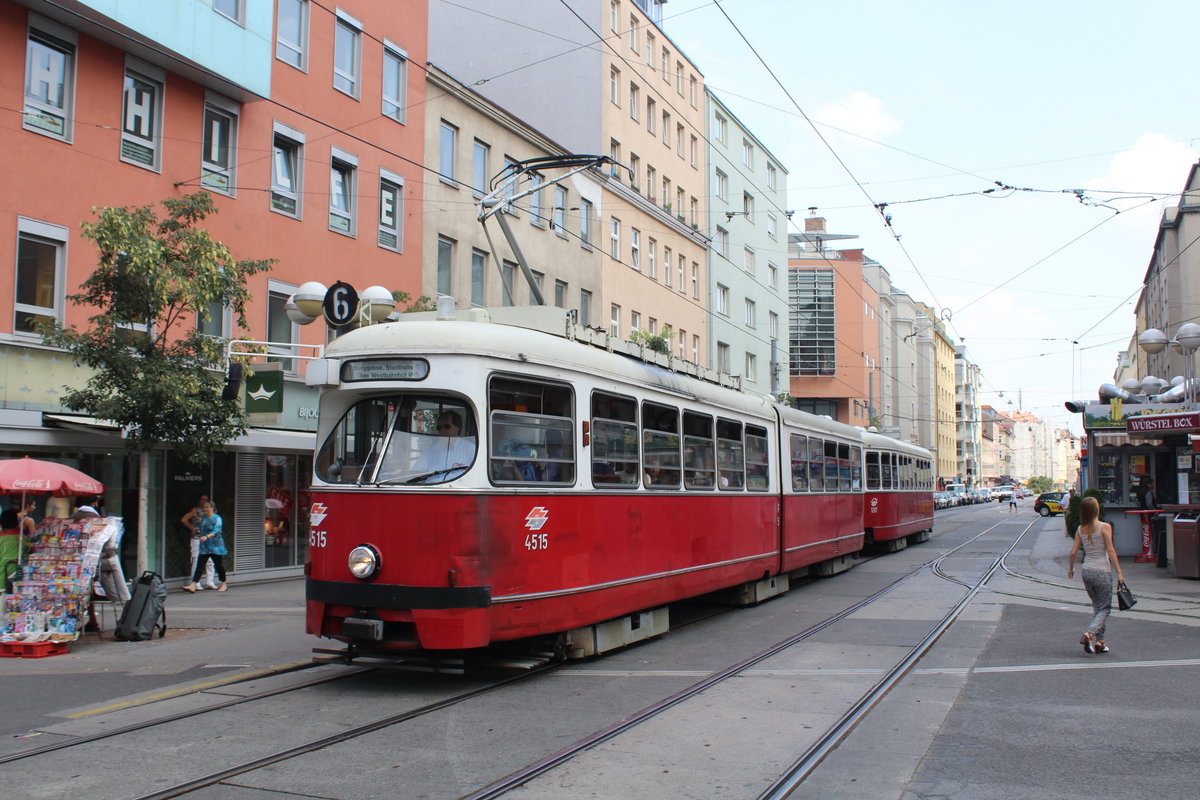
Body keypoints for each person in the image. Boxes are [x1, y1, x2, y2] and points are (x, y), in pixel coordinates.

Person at [1067, 496, 1125, 654]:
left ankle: (1100, 642)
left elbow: (1073, 552)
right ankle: (1089, 633)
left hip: (1087, 571)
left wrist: (1071, 568)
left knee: (1097, 607)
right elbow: (1111, 550)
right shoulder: (1105, 527)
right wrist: (1119, 571)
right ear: (1096, 510)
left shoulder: (1080, 529)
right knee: (1105, 608)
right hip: (1102, 571)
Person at [413, 411, 475, 480]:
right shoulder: (431, 451)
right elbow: (416, 473)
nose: (442, 430)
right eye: (439, 427)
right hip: (432, 489)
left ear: (458, 427)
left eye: (446, 426)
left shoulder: (470, 449)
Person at [183, 501, 227, 593]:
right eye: (204, 507)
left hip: (215, 545)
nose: (205, 509)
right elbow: (201, 528)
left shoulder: (217, 518)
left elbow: (216, 530)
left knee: (218, 565)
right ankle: (193, 584)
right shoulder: (203, 518)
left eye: (207, 507)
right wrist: (196, 532)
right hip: (204, 545)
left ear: (212, 508)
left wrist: (207, 536)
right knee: (200, 564)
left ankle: (223, 583)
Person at [1138, 478, 1167, 568]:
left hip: (1144, 515)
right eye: (1153, 483)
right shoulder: (1148, 493)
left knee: (1146, 532)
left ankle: (1148, 551)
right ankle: (1150, 552)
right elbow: (1149, 504)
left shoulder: (1141, 492)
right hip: (1149, 515)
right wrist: (1156, 512)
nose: (1154, 485)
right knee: (1150, 533)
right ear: (1149, 484)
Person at [0, 508, 23, 593]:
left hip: (1, 585)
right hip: (21, 585)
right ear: (17, 523)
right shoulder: (24, 540)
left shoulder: (1, 539)